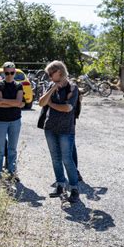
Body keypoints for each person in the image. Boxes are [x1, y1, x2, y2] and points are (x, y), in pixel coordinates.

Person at [39, 60, 80, 203]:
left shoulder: (73, 87)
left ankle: (74, 188)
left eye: (52, 73)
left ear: (60, 72)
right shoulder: (50, 85)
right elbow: (41, 103)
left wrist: (51, 103)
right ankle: (60, 185)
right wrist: (51, 89)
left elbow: (67, 108)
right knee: (55, 159)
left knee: (67, 159)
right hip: (49, 128)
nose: (49, 76)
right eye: (48, 74)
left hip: (66, 130)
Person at [0, 62, 24, 183]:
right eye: (7, 73)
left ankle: (12, 173)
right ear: (3, 72)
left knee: (12, 149)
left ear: (14, 72)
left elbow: (18, 102)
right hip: (0, 121)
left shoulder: (19, 86)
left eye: (12, 72)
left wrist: (4, 101)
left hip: (15, 121)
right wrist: (14, 103)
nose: (9, 75)